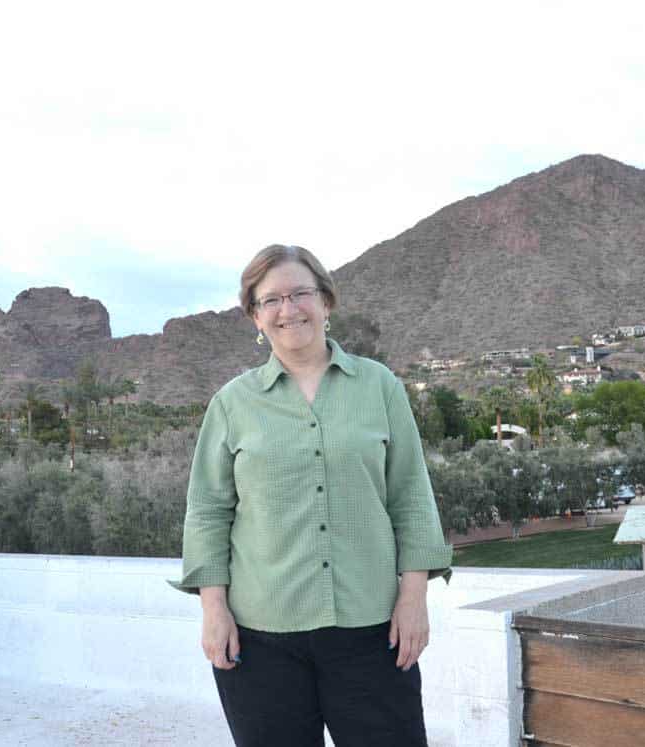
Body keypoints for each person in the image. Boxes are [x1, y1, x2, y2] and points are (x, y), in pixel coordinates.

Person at [171, 244, 452, 747]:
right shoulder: (233, 404)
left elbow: (410, 493)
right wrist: (214, 610)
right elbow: (208, 512)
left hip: (373, 631)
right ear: (255, 317)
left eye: (301, 293)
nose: (288, 309)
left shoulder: (379, 386)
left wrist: (414, 598)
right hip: (259, 641)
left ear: (325, 301)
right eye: (271, 299)